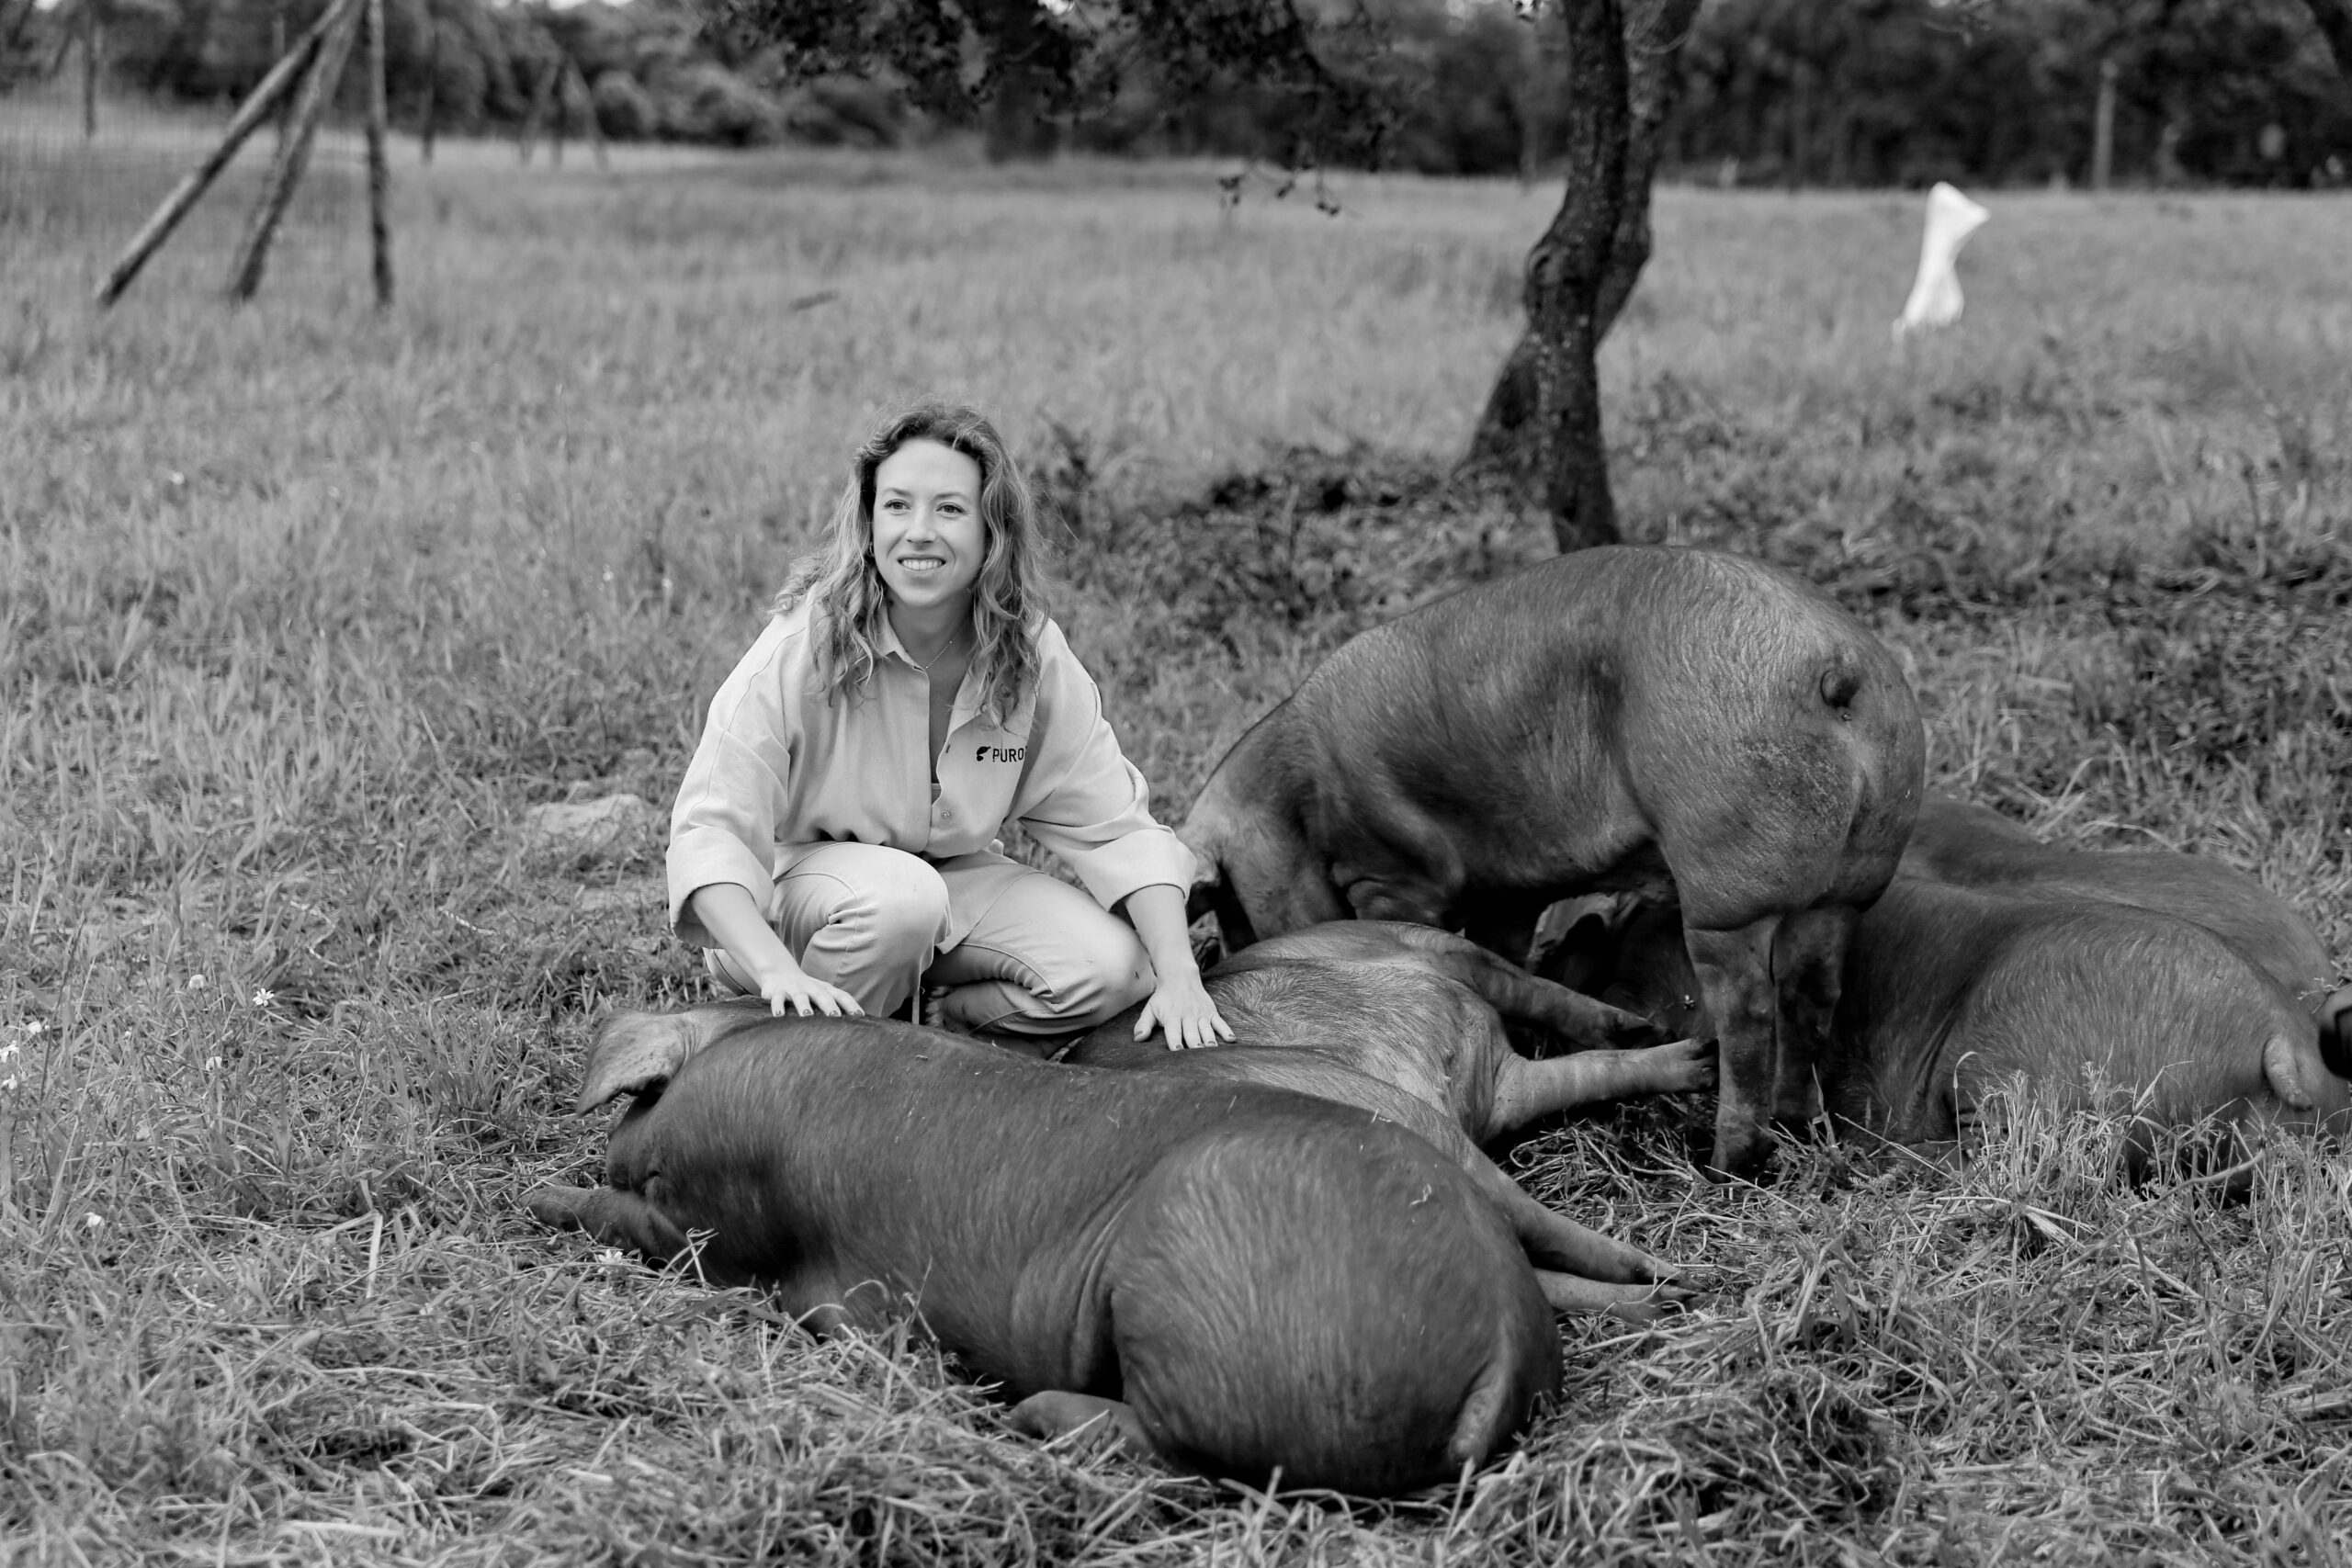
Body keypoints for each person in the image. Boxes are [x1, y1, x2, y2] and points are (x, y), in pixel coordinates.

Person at [666, 400, 1233, 1050]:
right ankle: (808, 1061)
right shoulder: (802, 642)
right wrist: (770, 966)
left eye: (951, 509)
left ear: (993, 530)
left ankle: (939, 1027)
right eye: (898, 505)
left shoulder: (1027, 651)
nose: (920, 532)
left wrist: (1180, 973)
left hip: (946, 886)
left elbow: (1118, 828)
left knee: (1117, 970)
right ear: (868, 520)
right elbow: (710, 831)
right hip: (803, 905)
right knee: (902, 903)